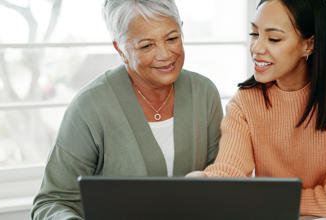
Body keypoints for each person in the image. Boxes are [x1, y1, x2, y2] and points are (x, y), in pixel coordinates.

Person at [187, 0, 326, 219]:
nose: (257, 48)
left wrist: (269, 199)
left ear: (309, 45)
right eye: (254, 34)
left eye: (274, 38)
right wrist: (206, 181)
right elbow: (230, 170)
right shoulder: (245, 101)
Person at [31, 0, 223, 219]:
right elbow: (52, 201)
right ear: (120, 48)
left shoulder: (204, 93)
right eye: (147, 46)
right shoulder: (90, 106)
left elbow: (221, 179)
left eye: (172, 38)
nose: (164, 55)